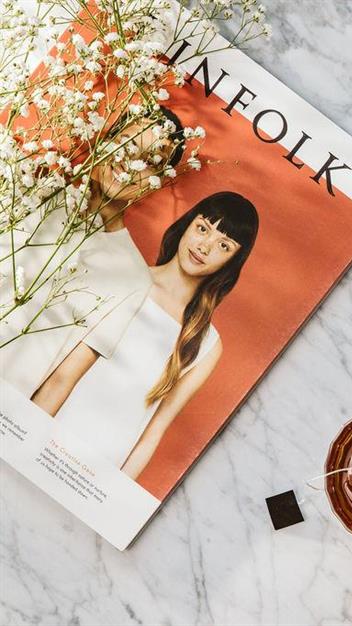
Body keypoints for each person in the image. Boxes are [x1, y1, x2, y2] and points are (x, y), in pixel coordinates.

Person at [33, 192, 259, 479]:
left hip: (97, 474)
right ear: (188, 223)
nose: (204, 246)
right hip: (48, 441)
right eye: (203, 229)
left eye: (223, 245)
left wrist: (113, 493)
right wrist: (25, 439)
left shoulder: (207, 344)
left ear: (232, 262)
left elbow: (153, 431)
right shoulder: (129, 278)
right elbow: (62, 376)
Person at [0, 106, 186, 397]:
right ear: (105, 140)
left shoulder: (133, 277)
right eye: (128, 143)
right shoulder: (31, 192)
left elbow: (62, 380)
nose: (131, 161)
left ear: (157, 182)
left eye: (150, 161)